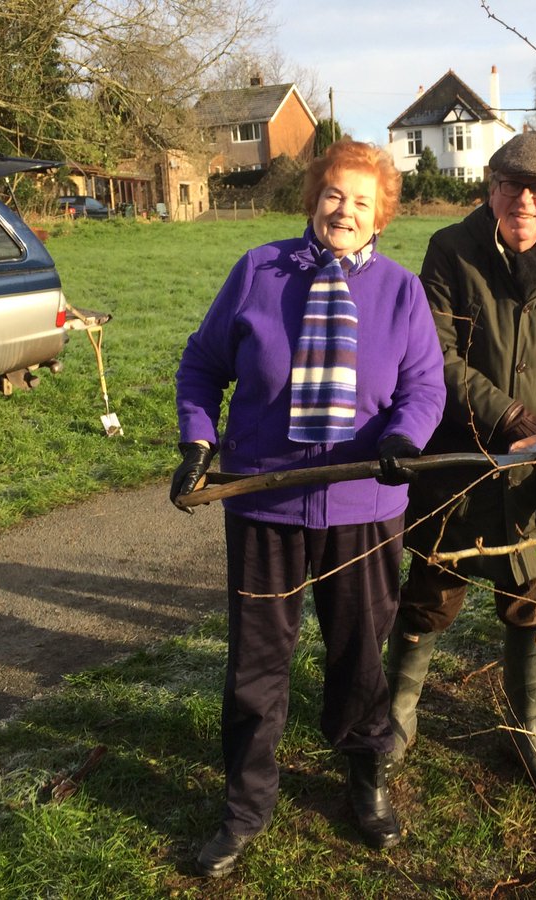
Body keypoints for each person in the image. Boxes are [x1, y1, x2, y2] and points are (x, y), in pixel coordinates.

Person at [171, 140, 446, 877]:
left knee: (359, 655)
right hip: (266, 505)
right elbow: (201, 363)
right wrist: (198, 441)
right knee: (257, 665)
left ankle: (365, 782)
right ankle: (245, 807)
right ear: (312, 199)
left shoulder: (400, 291)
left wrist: (403, 436)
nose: (344, 211)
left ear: (382, 213)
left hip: (364, 507)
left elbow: (425, 386)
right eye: (333, 195)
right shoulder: (260, 272)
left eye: (361, 200)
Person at [386, 132, 536, 795]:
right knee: (432, 595)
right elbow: (435, 356)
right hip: (457, 463)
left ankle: (527, 733)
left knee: (532, 601)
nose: (524, 200)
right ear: (491, 187)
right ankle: (399, 716)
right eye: (512, 185)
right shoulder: (451, 251)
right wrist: (509, 417)